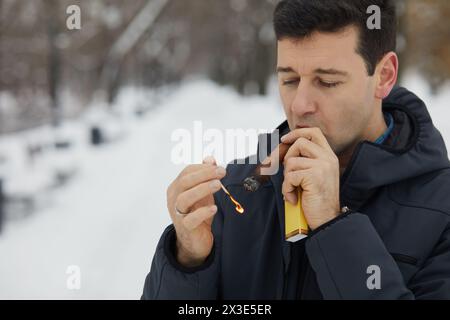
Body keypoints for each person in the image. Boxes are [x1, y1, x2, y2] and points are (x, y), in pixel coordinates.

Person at [141, 0, 450, 299]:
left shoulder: (441, 208)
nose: (300, 105)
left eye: (327, 82)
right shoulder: (237, 189)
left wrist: (334, 227)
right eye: (289, 79)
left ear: (383, 76)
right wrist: (188, 261)